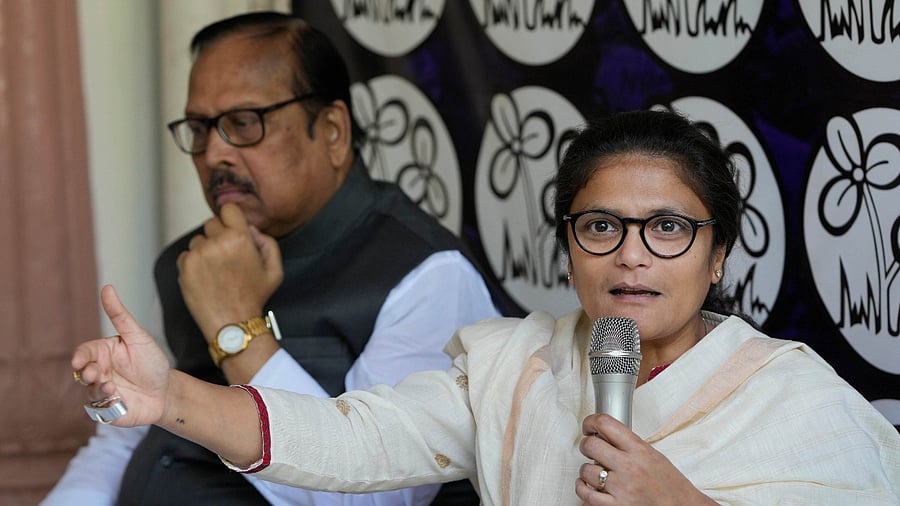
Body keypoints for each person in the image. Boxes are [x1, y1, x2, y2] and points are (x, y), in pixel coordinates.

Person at [70, 109, 900, 505]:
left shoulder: (798, 403)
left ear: (718, 255)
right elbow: (350, 437)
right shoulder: (513, 366)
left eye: (670, 228)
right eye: (601, 226)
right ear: (568, 246)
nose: (631, 253)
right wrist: (168, 396)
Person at [46, 11, 502, 506]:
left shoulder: (426, 273)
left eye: (244, 123)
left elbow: (368, 497)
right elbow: (126, 433)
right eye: (200, 128)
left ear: (331, 131)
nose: (215, 152)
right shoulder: (196, 255)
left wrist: (235, 329)